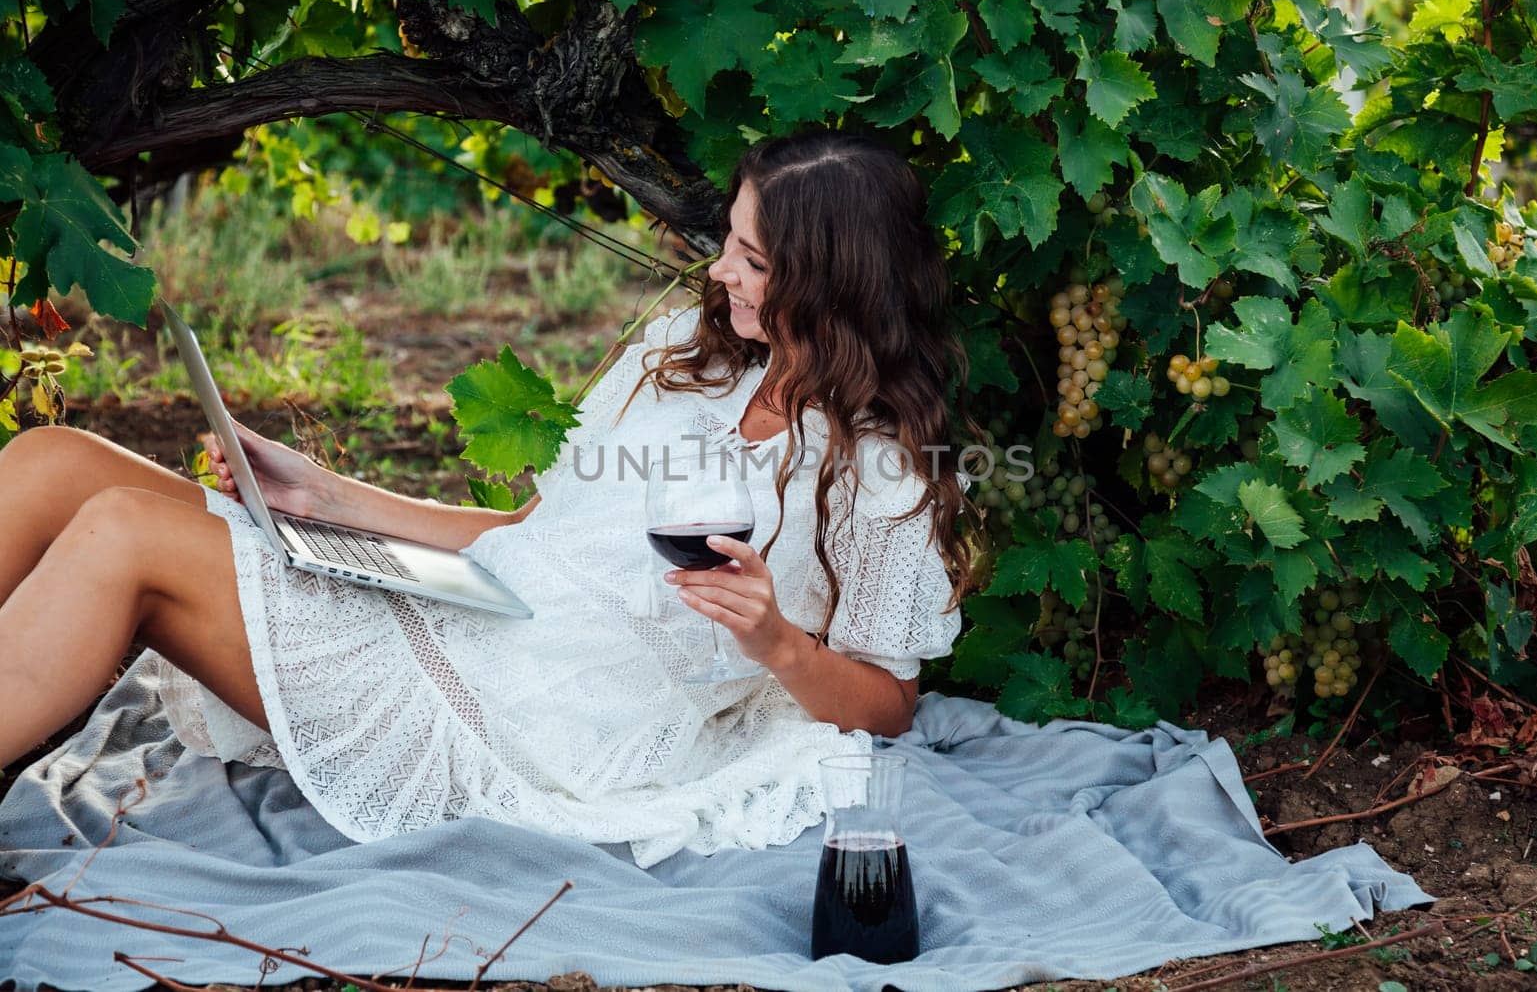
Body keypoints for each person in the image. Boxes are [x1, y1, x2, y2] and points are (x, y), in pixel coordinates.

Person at [0, 130, 972, 867]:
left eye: (753, 260)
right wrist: (327, 495)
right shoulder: (683, 352)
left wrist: (774, 642)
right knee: (53, 457)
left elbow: (885, 702)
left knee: (126, 530)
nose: (720, 269)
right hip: (467, 613)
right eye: (730, 241)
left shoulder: (878, 470)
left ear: (831, 281)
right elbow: (534, 532)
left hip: (543, 728)